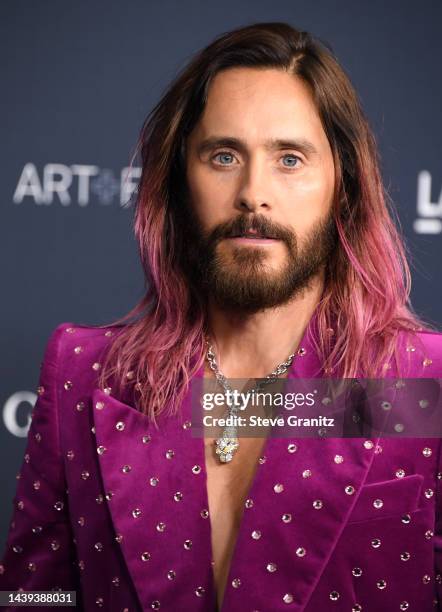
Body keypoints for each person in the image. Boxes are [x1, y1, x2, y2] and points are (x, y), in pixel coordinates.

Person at [1, 21, 441, 612]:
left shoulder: (422, 380)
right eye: (225, 155)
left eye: (289, 159)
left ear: (344, 186)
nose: (253, 193)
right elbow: (34, 594)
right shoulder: (85, 371)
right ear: (180, 182)